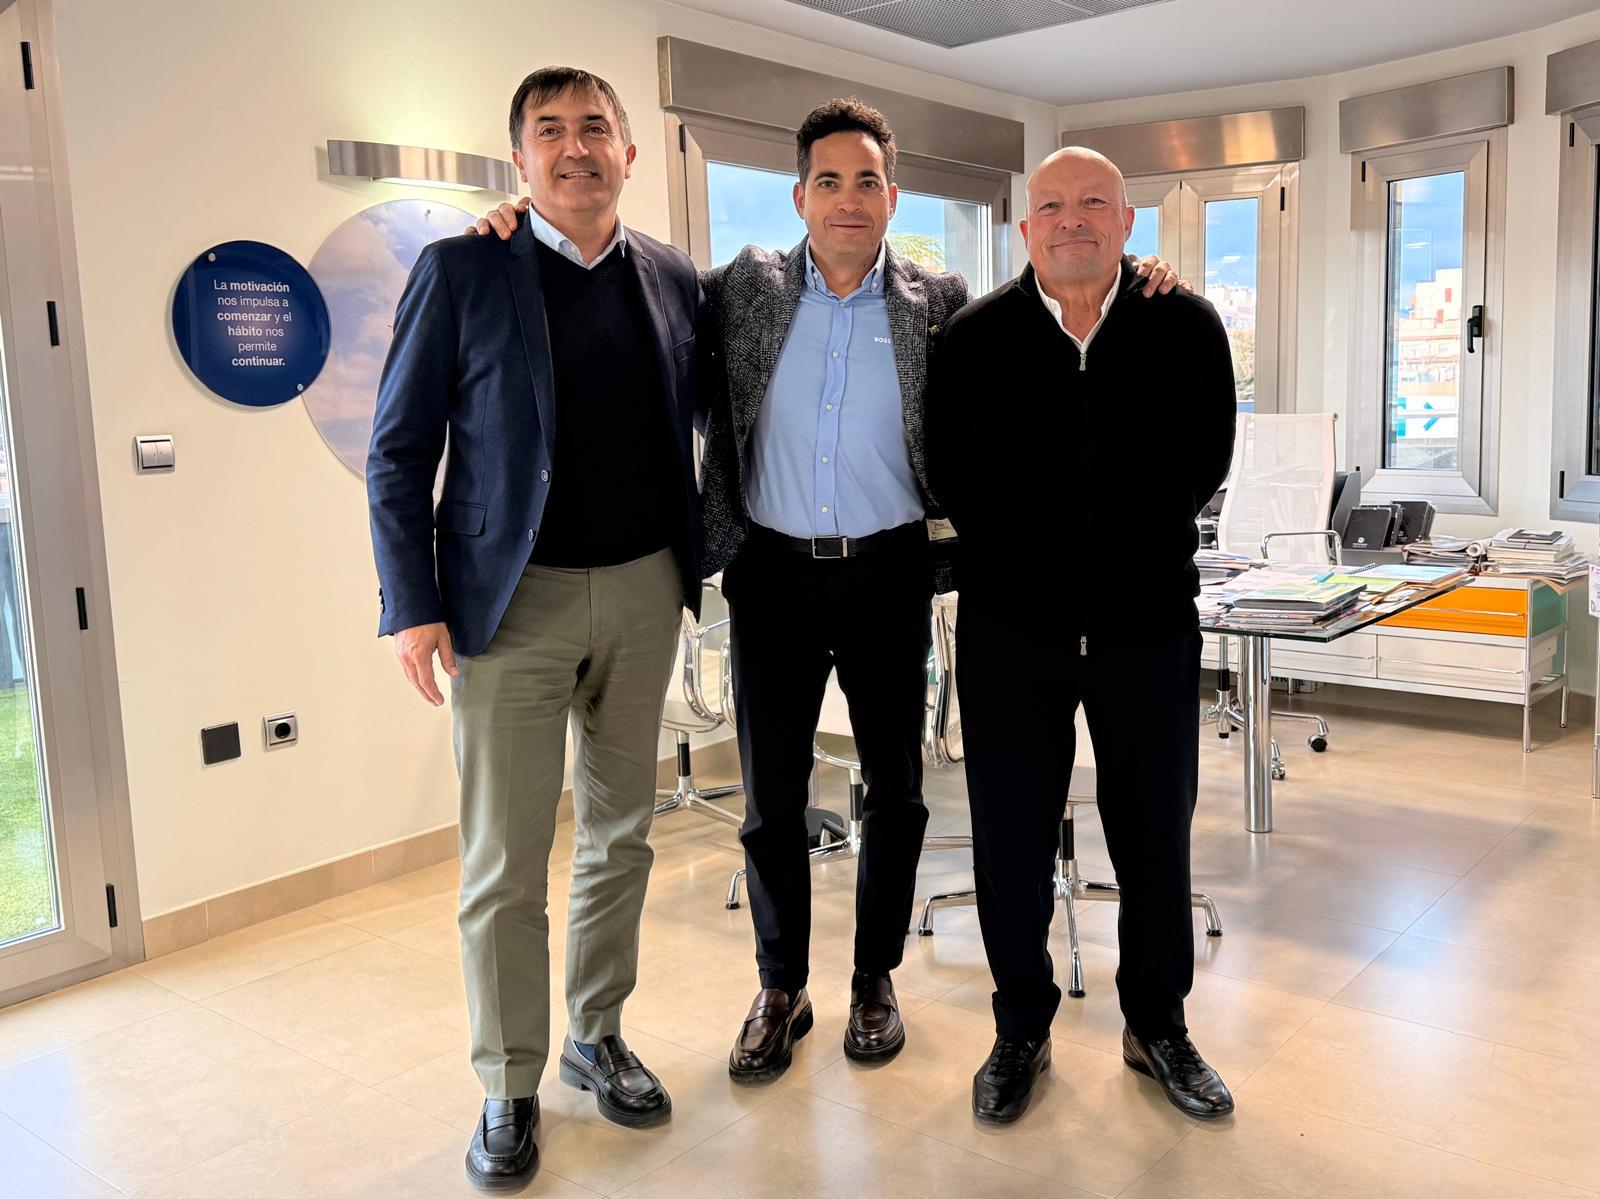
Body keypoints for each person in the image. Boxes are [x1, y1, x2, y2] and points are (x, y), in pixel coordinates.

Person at [368, 66, 703, 1190]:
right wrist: (412, 602)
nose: (575, 147)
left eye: (595, 127)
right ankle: (508, 1080)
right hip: (512, 603)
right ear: (520, 159)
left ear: (629, 153)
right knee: (506, 860)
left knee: (622, 834)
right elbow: (398, 451)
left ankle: (595, 1034)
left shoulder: (672, 276)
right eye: (550, 131)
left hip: (646, 587)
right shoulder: (462, 269)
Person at [928, 146, 1238, 1125]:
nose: (1072, 220)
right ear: (1025, 229)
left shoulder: (1184, 324)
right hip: (1012, 629)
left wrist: (1127, 545)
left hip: (1147, 624)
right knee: (1010, 837)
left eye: (1093, 203)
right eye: (1052, 206)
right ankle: (1020, 1026)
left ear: (1126, 221)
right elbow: (946, 470)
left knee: (1155, 833)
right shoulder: (974, 336)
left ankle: (1157, 1024)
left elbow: (1208, 458)